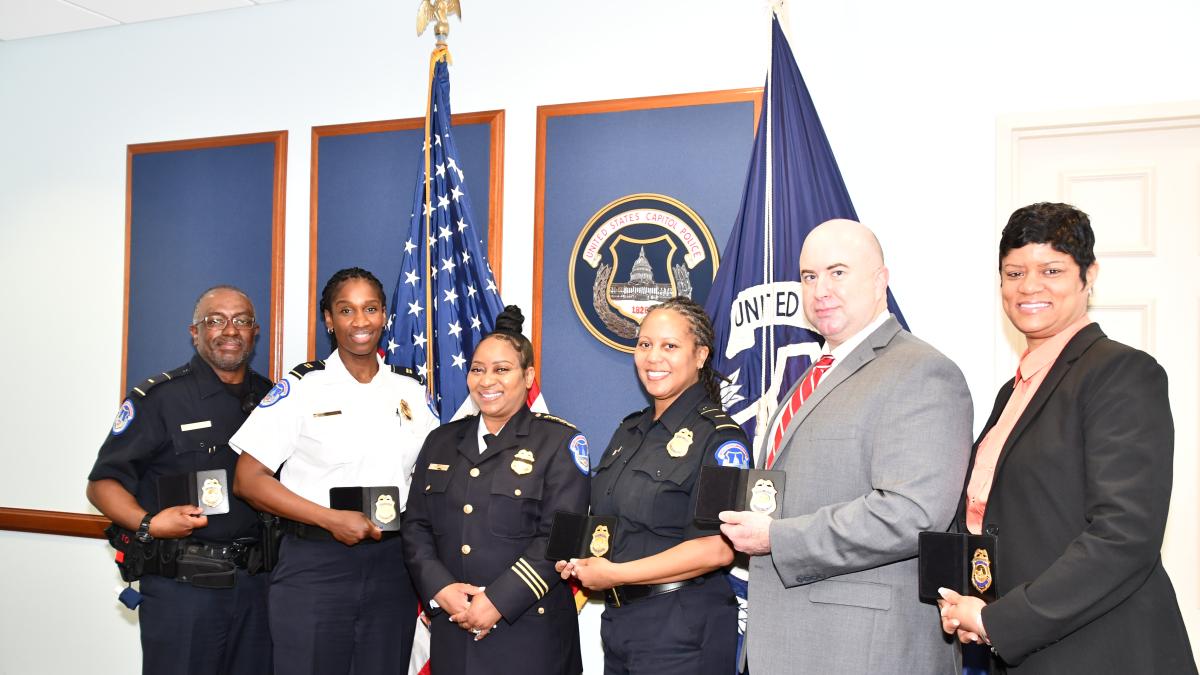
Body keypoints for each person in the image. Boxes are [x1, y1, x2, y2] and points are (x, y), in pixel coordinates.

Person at [937, 203, 1196, 672]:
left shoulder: (1121, 373)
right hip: (1029, 653)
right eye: (1014, 272)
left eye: (1051, 269)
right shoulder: (1012, 392)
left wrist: (1002, 621)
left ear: (1088, 275)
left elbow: (1125, 535)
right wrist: (965, 603)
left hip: (1105, 651)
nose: (1029, 286)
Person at [719, 219, 973, 674]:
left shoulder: (922, 372)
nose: (820, 290)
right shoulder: (815, 372)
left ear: (880, 280)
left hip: (862, 651)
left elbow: (911, 514)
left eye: (838, 272)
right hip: (790, 643)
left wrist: (777, 538)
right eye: (809, 276)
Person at [229, 267, 439, 674]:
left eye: (371, 309)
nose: (360, 321)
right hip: (316, 564)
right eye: (346, 310)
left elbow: (433, 478)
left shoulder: (411, 390)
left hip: (393, 567)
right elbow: (247, 479)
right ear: (329, 320)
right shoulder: (302, 388)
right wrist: (329, 519)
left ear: (385, 317)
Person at [86, 284, 273, 675]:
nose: (230, 330)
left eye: (241, 321)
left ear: (255, 332)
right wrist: (149, 523)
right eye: (215, 320)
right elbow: (103, 483)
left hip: (259, 588)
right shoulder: (159, 398)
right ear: (195, 332)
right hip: (184, 592)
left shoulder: (271, 400)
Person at [558, 296, 748, 675]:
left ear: (701, 355)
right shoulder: (629, 431)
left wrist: (615, 574)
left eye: (670, 346)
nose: (652, 357)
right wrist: (579, 560)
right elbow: (612, 525)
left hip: (684, 631)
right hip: (622, 626)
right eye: (645, 344)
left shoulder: (721, 439)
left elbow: (717, 550)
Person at [402, 305, 589, 674]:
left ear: (528, 375)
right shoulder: (440, 441)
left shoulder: (559, 442)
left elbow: (560, 540)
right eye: (477, 369)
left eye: (502, 370)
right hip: (454, 628)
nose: (487, 381)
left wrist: (497, 602)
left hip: (529, 632)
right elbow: (416, 526)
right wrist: (441, 590)